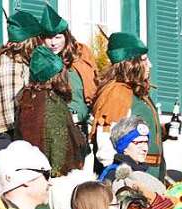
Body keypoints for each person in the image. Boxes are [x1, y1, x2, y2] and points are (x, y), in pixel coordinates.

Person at [92, 33, 164, 179]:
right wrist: (121, 177)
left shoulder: (137, 92)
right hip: (134, 176)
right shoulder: (117, 94)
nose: (150, 65)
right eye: (144, 60)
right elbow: (106, 142)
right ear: (131, 64)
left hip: (150, 173)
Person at [14, 46, 87, 177]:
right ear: (56, 75)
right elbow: (58, 143)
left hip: (29, 172)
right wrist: (57, 174)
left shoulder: (27, 98)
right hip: (52, 176)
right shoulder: (53, 102)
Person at [37, 6, 97, 129]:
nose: (53, 43)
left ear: (66, 37)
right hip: (54, 124)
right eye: (48, 38)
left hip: (79, 124)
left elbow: (86, 93)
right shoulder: (40, 62)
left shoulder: (79, 58)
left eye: (58, 37)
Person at [99, 116, 151, 180]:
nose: (145, 148)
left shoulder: (144, 172)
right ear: (124, 147)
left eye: (146, 142)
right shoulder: (115, 176)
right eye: (139, 143)